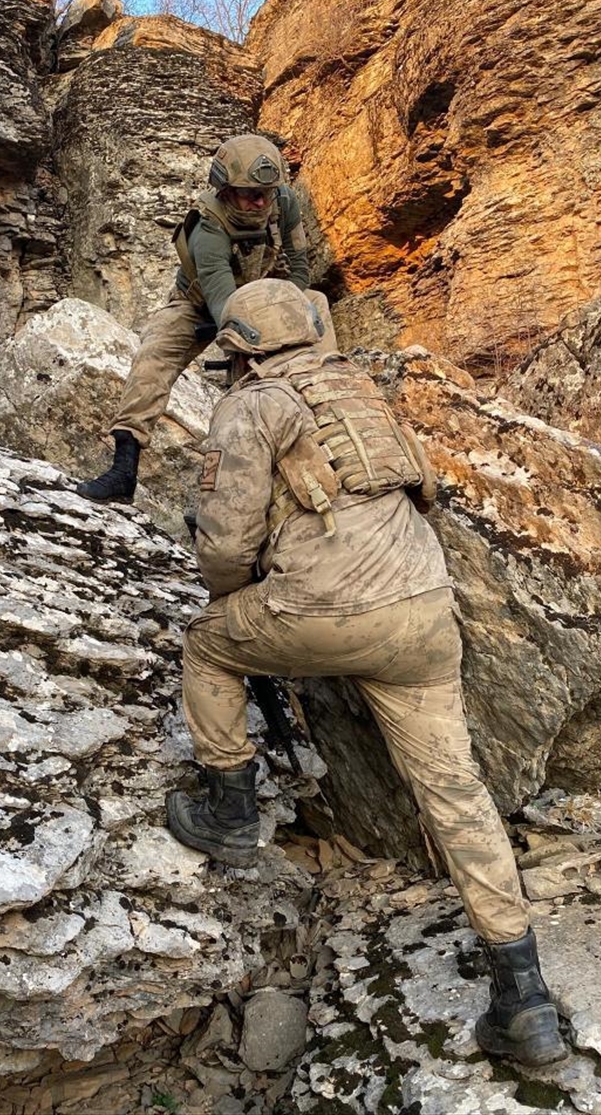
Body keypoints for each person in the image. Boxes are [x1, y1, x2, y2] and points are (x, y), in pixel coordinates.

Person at [165, 278, 567, 1070]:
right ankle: (524, 997)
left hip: (327, 613)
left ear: (240, 347)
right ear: (313, 328)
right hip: (423, 612)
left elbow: (221, 547)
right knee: (454, 790)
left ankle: (231, 808)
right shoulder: (359, 386)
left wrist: (241, 597)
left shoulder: (253, 405)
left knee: (207, 645)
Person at [76, 134, 336, 502]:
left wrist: (290, 314)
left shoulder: (283, 201)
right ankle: (124, 468)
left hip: (262, 295)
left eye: (267, 192)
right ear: (226, 189)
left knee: (315, 303)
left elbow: (298, 268)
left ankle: (329, 409)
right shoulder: (208, 227)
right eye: (250, 194)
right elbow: (226, 311)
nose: (262, 202)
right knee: (156, 352)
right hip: (201, 304)